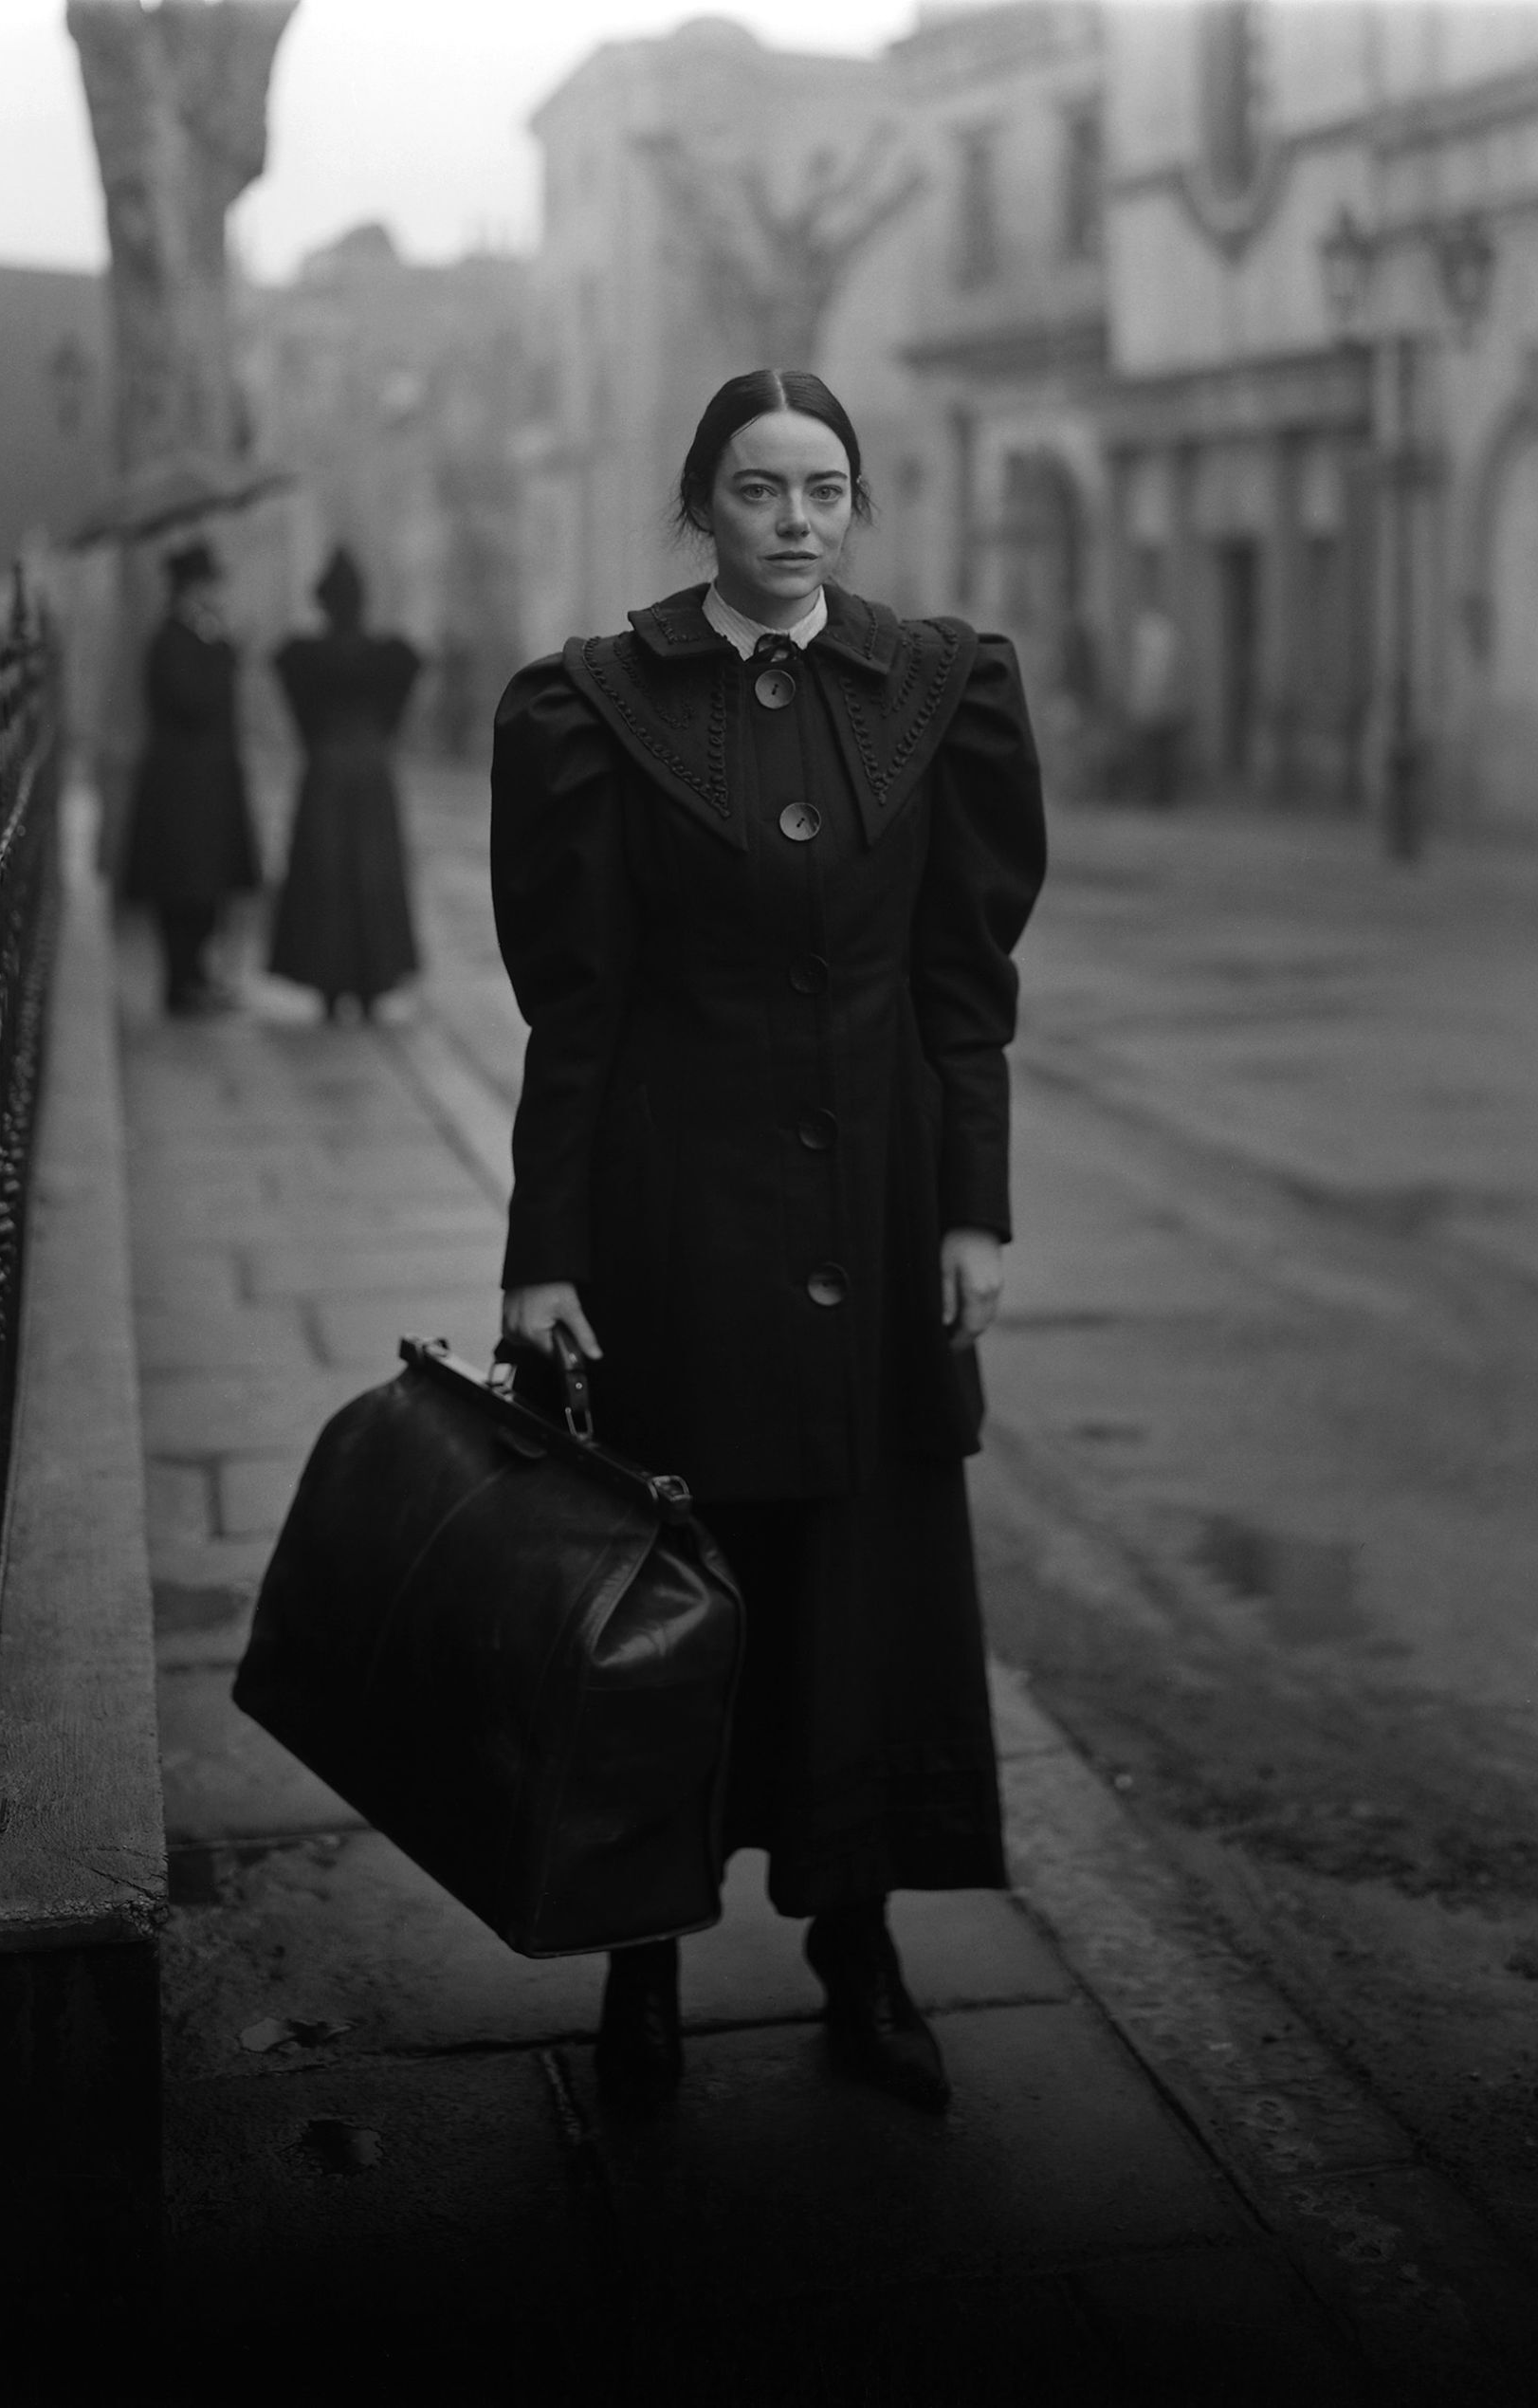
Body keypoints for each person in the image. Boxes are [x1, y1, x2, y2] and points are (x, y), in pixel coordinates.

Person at [490, 369, 1047, 2113]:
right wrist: (544, 1251)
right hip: (674, 1220)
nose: (793, 518)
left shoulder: (941, 692)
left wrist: (973, 1205)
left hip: (880, 1222)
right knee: (665, 1591)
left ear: (855, 505)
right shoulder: (596, 706)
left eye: (823, 487)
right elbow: (572, 1010)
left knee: (861, 1595)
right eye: (755, 488)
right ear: (700, 504)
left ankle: (856, 1950)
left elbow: (965, 984)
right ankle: (641, 1972)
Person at [267, 548, 424, 1020]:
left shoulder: (304, 657)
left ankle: (331, 985)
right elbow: (399, 706)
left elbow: (301, 715)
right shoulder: (389, 656)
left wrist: (324, 741)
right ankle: (372, 980)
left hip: (328, 771)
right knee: (369, 874)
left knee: (328, 874)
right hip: (370, 771)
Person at [122, 539, 261, 1017]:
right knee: (183, 888)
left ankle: (198, 977)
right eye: (208, 584)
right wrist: (225, 649)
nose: (216, 593)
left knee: (208, 888)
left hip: (208, 787)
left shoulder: (197, 637)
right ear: (190, 589)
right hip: (182, 790)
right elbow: (192, 703)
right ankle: (181, 982)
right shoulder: (172, 639)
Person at [1126, 583, 1185, 809]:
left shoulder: (1155, 636)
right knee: (1158, 753)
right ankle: (1159, 794)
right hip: (1159, 701)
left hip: (1156, 702)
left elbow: (1154, 673)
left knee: (1155, 752)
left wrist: (1145, 699)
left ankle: (1158, 794)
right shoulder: (1163, 633)